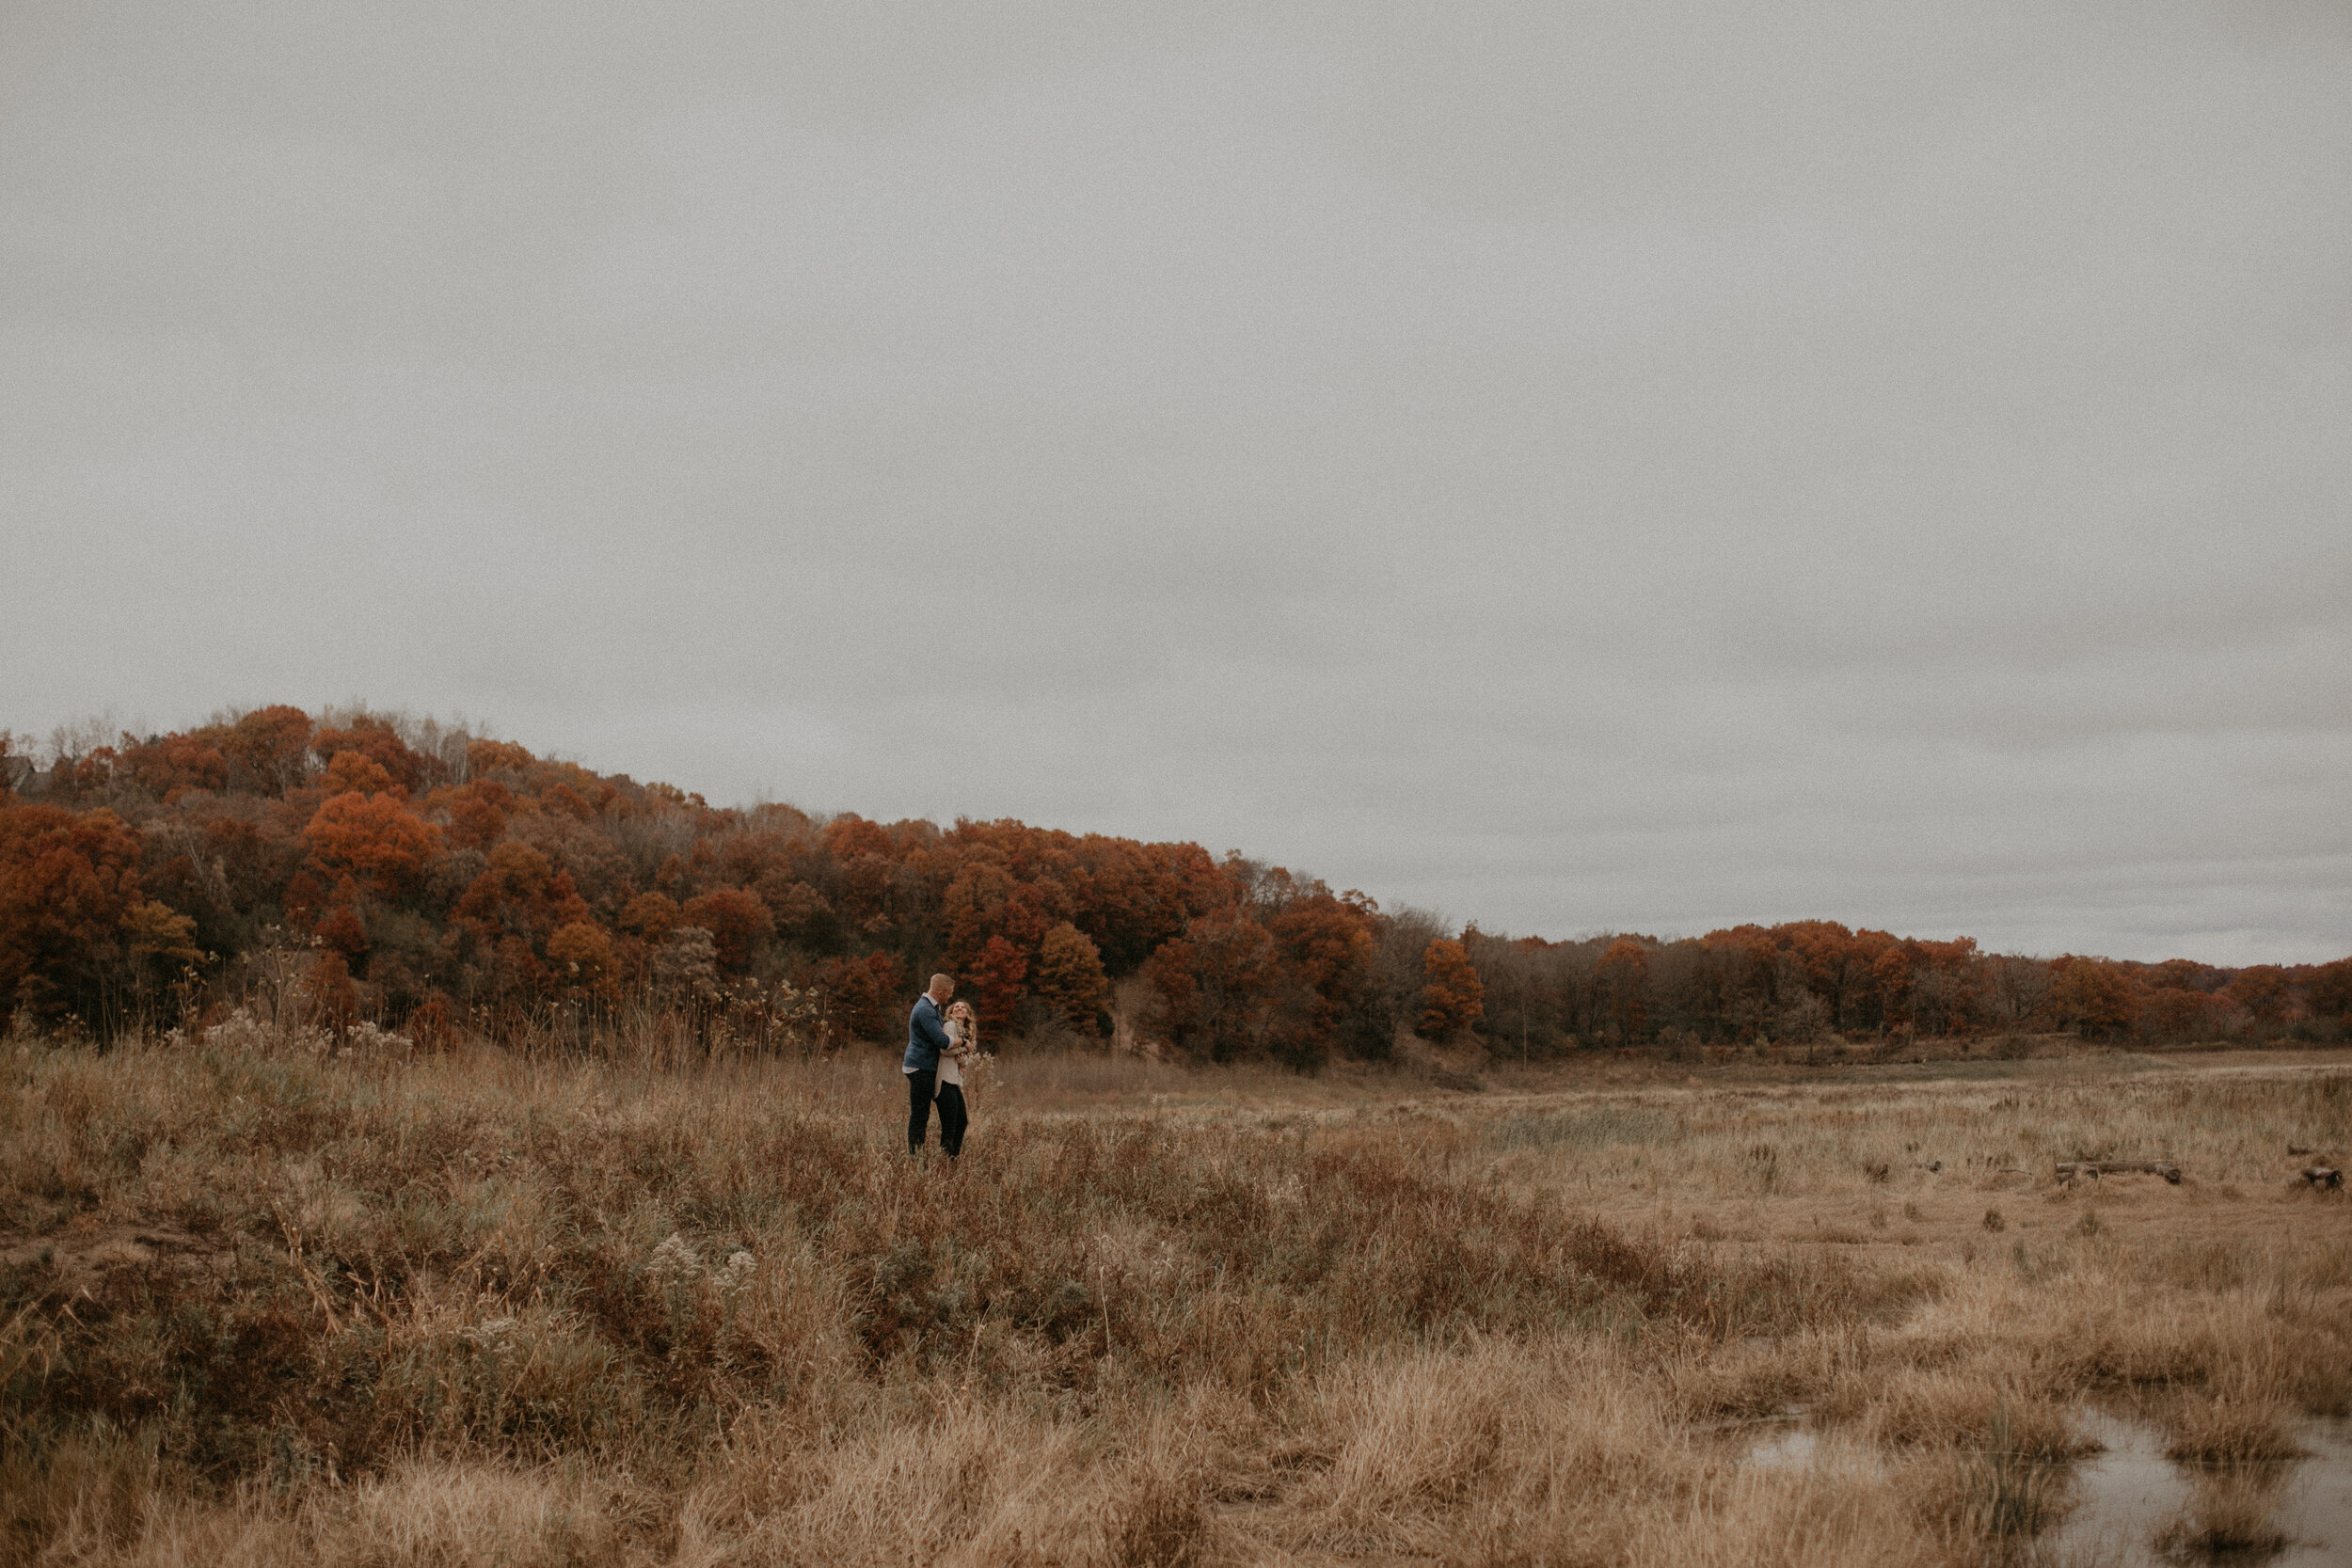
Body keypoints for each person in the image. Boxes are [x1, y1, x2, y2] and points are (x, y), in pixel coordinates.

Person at [903, 973, 957, 1154]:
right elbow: (942, 1041)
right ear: (940, 992)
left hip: (923, 1066)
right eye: (949, 993)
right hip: (920, 1067)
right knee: (920, 1114)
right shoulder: (925, 1010)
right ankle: (914, 1157)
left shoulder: (930, 1008)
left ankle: (919, 1154)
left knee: (922, 1113)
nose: (950, 997)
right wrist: (962, 1042)